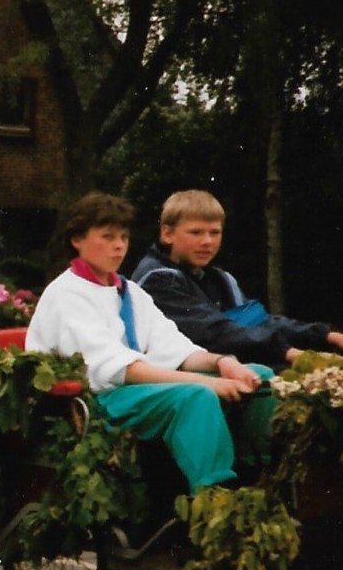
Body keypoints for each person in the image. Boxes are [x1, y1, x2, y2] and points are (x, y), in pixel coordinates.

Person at [26, 192, 273, 492]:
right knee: (196, 396)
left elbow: (175, 348)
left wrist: (224, 363)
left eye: (124, 237)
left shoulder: (129, 291)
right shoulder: (67, 294)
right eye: (107, 236)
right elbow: (121, 369)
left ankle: (258, 473)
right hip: (100, 400)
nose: (119, 246)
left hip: (138, 391)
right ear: (77, 240)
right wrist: (205, 382)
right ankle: (216, 499)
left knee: (260, 376)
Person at [131, 189, 343, 368]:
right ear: (167, 233)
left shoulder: (219, 278)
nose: (207, 241)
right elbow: (216, 333)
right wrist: (292, 354)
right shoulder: (156, 280)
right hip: (186, 374)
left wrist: (328, 336)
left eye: (214, 232)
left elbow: (258, 322)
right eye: (196, 232)